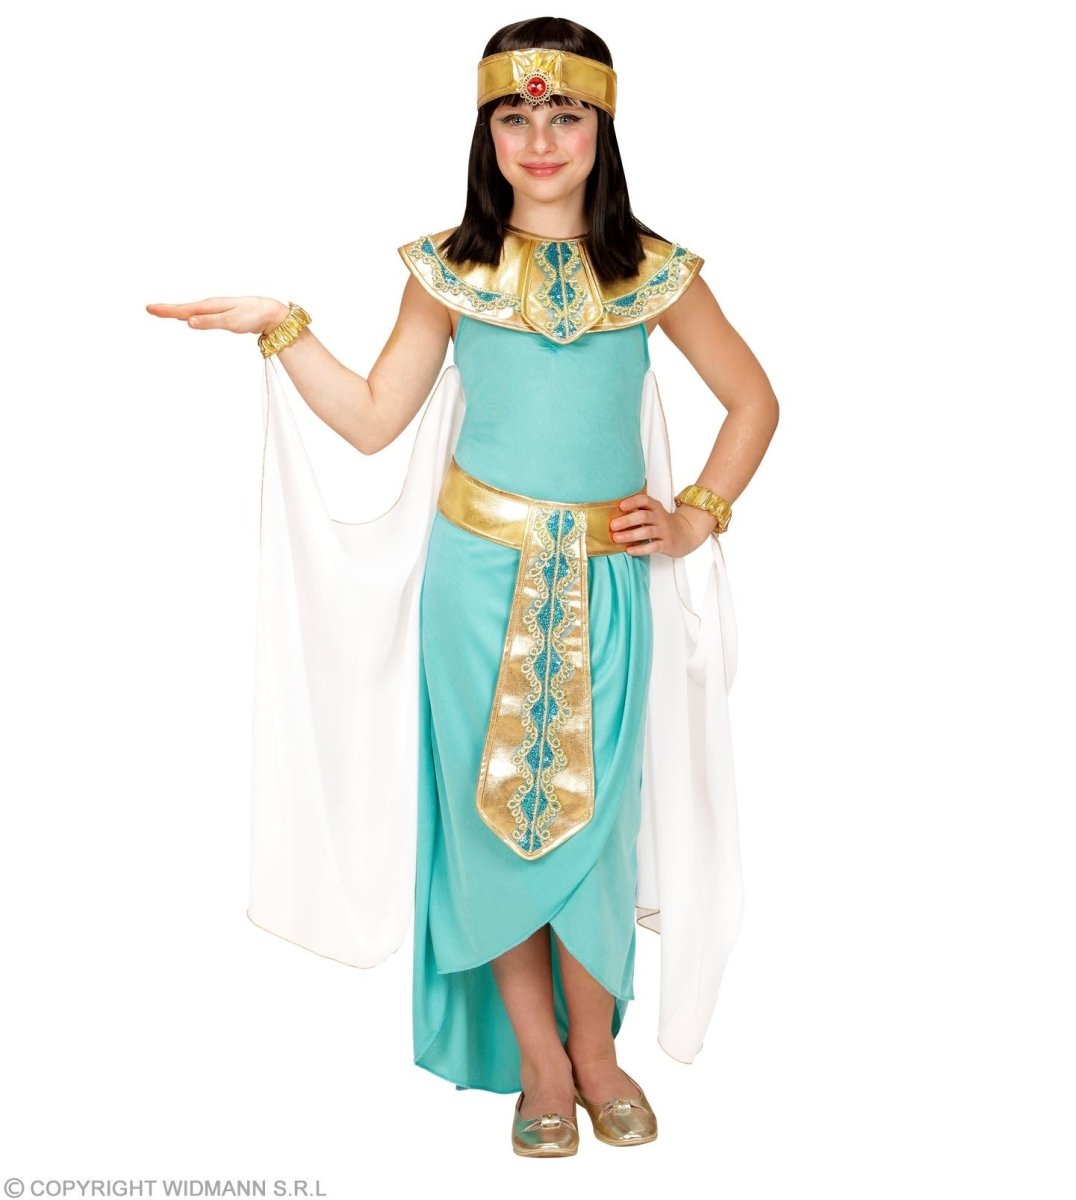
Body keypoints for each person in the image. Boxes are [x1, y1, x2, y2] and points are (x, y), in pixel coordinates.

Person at [147, 15, 779, 1159]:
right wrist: (283, 327)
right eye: (514, 117)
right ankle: (540, 1062)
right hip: (474, 583)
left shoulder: (650, 272)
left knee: (591, 824)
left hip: (606, 583)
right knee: (491, 824)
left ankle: (598, 1050)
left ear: (602, 127)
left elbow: (751, 400)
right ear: (485, 132)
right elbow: (374, 418)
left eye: (564, 115)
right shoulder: (449, 269)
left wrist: (697, 514)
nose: (539, 140)